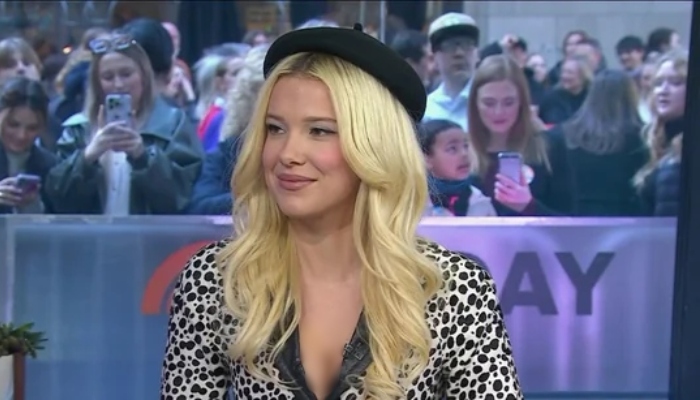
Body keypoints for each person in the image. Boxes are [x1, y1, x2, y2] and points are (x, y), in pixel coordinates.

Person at [161, 24, 523, 399]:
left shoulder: (455, 289)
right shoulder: (215, 281)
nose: (288, 154)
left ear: (375, 145)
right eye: (275, 128)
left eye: (319, 131)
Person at [0, 77, 57, 214]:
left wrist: (33, 205)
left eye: (32, 128)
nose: (22, 135)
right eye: (13, 125)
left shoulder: (50, 165)